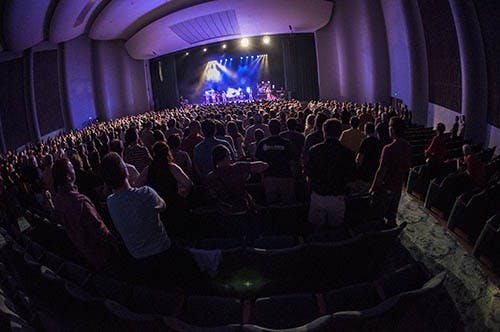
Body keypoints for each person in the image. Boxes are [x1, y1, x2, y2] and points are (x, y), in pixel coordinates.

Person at [101, 152, 200, 286]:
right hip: (164, 252)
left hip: (138, 262)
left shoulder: (110, 202)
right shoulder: (146, 193)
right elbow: (163, 206)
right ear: (126, 171)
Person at [51, 158, 120, 272]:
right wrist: (115, 243)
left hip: (85, 253)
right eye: (72, 168)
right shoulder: (80, 202)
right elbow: (100, 230)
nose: (74, 170)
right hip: (102, 254)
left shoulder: (58, 200)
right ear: (68, 176)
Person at [306, 119, 356, 229]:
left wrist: (311, 191)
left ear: (324, 132)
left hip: (318, 195)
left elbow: (309, 174)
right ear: (339, 133)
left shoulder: (314, 150)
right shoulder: (348, 153)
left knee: (317, 230)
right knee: (336, 231)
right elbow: (351, 178)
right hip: (337, 196)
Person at [370, 117, 412, 228]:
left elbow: (381, 171)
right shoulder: (407, 145)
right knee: (392, 215)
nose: (388, 128)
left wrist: (373, 188)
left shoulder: (388, 148)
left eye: (389, 126)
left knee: (377, 215)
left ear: (393, 129)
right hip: (398, 186)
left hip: (386, 187)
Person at [208, 145, 268, 214]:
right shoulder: (238, 167)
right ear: (227, 156)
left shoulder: (211, 176)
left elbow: (213, 195)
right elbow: (263, 165)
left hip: (225, 211)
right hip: (243, 207)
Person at [255, 119, 296, 204]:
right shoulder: (286, 143)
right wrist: (293, 176)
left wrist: (262, 176)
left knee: (272, 205)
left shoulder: (262, 143)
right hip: (285, 176)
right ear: (280, 128)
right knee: (288, 204)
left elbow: (257, 161)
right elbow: (292, 161)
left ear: (269, 129)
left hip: (269, 176)